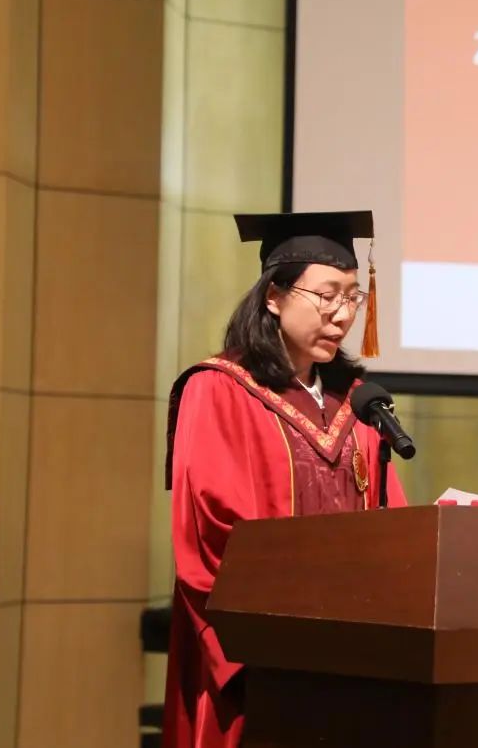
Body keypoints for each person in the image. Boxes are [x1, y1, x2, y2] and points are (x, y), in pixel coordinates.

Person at [161, 210, 409, 748]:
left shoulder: (359, 404)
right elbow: (211, 532)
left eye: (352, 297)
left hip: (352, 666)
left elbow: (391, 524)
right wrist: (283, 634)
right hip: (263, 663)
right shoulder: (218, 390)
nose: (343, 314)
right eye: (326, 296)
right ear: (274, 296)